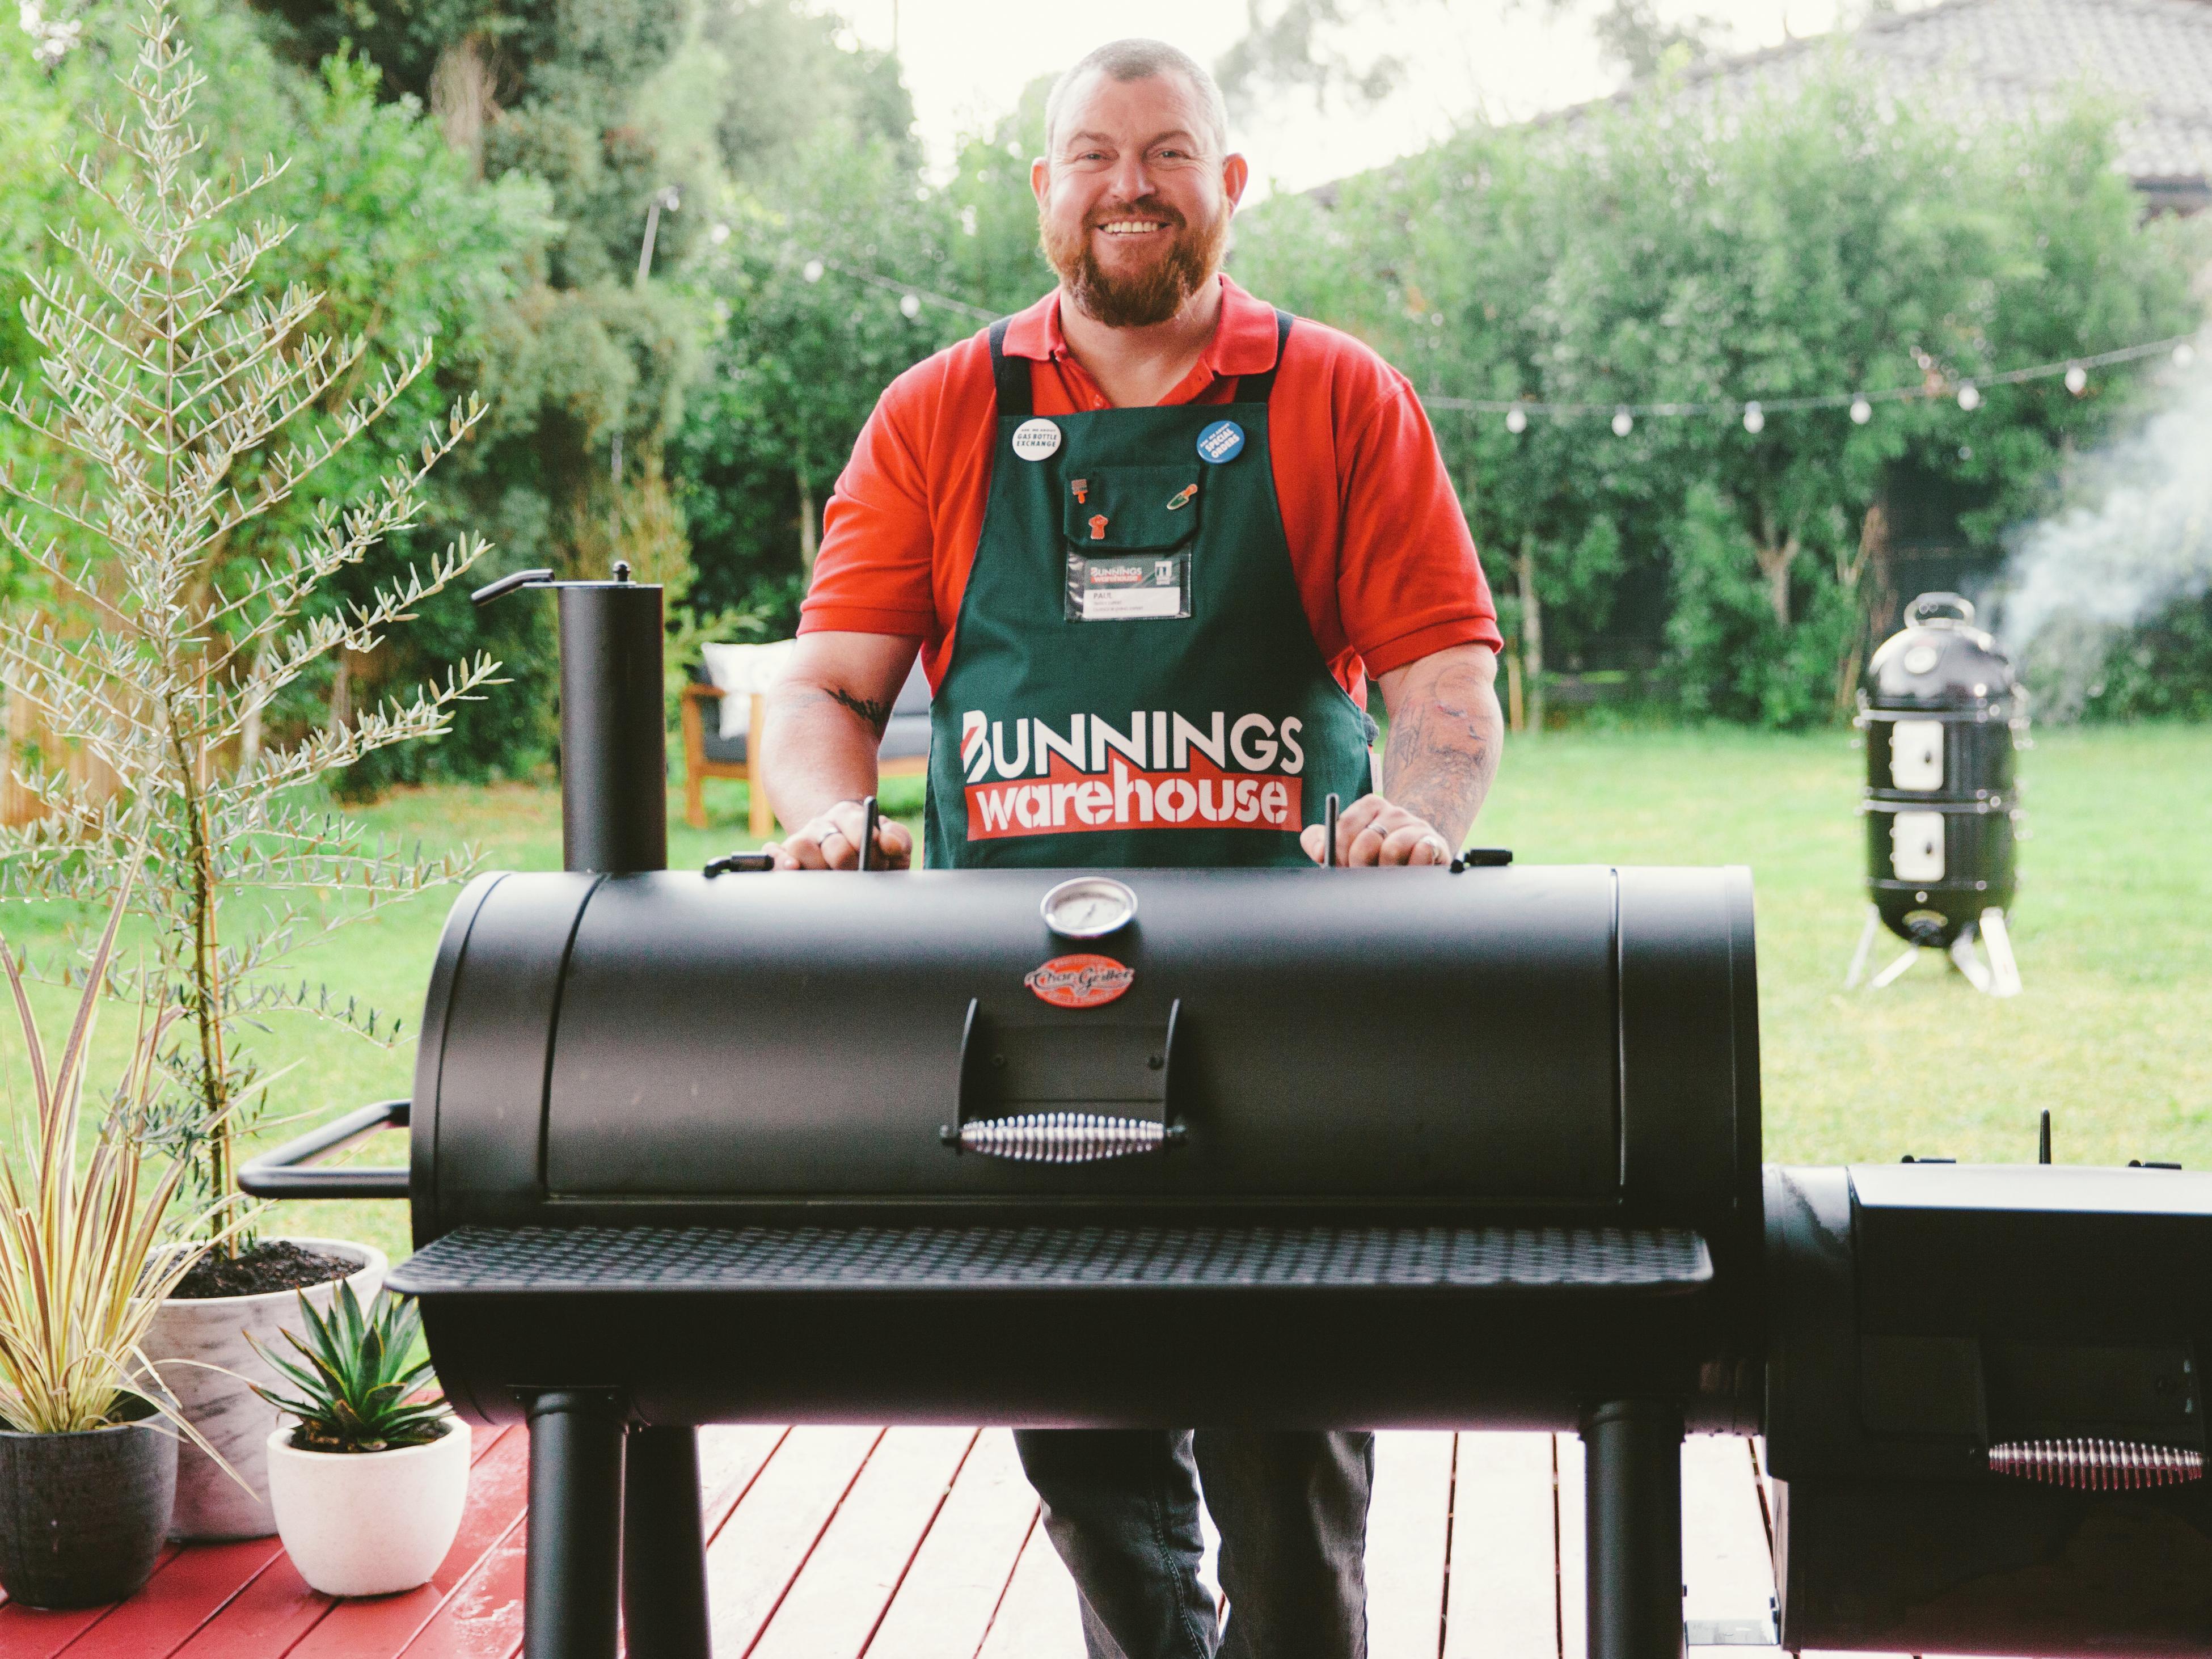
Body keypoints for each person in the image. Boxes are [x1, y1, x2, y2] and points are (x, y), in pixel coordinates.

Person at [757, 37, 1505, 1659]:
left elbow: (1445, 684)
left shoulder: (1335, 397)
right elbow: (823, 688)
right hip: (1021, 1035)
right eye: (1093, 154)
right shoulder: (942, 411)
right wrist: (826, 813)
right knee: (1094, 1480)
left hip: (1281, 1026)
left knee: (1293, 1488)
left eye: (1168, 153)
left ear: (1227, 185)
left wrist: (1416, 819)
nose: (1128, 186)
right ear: (1045, 191)